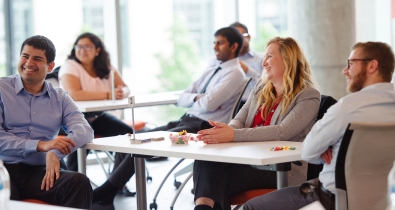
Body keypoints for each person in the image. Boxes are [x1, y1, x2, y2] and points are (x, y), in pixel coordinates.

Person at [242, 41, 395, 210]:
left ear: (372, 66)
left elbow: (309, 151)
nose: (345, 70)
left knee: (251, 207)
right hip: (383, 201)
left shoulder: (346, 108)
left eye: (351, 64)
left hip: (331, 198)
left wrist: (327, 147)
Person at [193, 37, 321, 210]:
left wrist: (233, 135)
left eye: (269, 56)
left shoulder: (308, 95)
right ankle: (203, 206)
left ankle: (203, 206)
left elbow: (283, 132)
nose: (264, 62)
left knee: (215, 184)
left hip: (281, 168)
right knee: (207, 159)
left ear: (287, 59)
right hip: (250, 159)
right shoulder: (260, 88)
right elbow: (240, 120)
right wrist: (225, 131)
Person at [0, 35, 93, 209]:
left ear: (50, 66)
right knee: (7, 196)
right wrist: (40, 145)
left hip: (40, 172)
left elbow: (84, 130)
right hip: (3, 169)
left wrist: (54, 153)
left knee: (78, 182)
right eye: (25, 56)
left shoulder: (59, 97)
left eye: (37, 59)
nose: (28, 63)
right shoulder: (1, 89)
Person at [58, 32, 134, 209]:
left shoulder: (105, 65)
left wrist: (124, 92)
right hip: (70, 118)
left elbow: (125, 87)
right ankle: (73, 193)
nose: (82, 50)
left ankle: (112, 187)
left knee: (130, 138)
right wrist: (110, 94)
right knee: (78, 145)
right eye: (79, 46)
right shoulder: (70, 66)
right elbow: (75, 94)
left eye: (87, 46)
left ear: (97, 50)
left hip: (97, 116)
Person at [151, 26, 246, 133]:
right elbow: (181, 98)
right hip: (185, 119)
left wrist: (194, 100)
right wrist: (197, 97)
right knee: (140, 136)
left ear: (233, 47)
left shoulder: (235, 73)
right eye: (214, 43)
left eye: (220, 43)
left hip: (201, 126)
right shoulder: (212, 69)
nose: (215, 47)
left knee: (147, 142)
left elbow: (208, 105)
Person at [209, 22, 263, 103]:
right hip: (224, 106)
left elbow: (267, 86)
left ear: (248, 37)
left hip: (253, 104)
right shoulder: (217, 61)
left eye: (240, 36)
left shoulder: (263, 59)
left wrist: (248, 70)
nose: (237, 42)